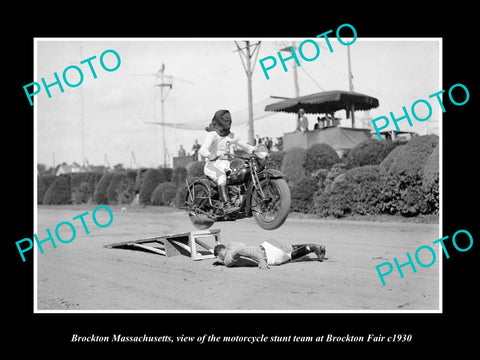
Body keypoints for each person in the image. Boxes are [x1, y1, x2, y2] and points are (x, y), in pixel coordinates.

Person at [199, 109, 255, 213]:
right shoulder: (212, 135)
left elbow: (246, 147)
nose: (228, 123)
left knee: (241, 172)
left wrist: (257, 150)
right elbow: (202, 150)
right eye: (225, 120)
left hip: (224, 164)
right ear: (219, 121)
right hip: (212, 165)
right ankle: (226, 205)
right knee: (221, 176)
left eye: (229, 121)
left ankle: (239, 200)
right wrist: (209, 155)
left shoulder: (230, 136)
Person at [213, 241, 326, 269]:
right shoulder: (231, 246)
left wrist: (261, 261)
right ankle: (316, 246)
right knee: (288, 248)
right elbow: (240, 248)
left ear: (220, 254)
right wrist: (220, 261)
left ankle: (310, 248)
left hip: (267, 255)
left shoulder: (228, 256)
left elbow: (240, 251)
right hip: (267, 245)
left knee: (288, 256)